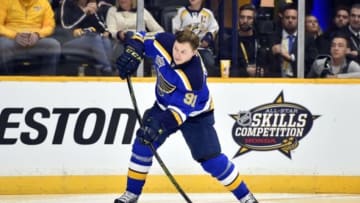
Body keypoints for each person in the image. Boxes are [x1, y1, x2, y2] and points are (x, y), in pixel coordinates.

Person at [113, 30, 259, 203]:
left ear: (195, 52)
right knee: (142, 145)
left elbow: (177, 114)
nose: (178, 55)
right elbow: (139, 36)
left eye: (184, 52)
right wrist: (133, 51)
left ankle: (246, 197)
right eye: (176, 49)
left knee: (212, 161)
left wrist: (156, 127)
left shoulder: (193, 78)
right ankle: (131, 194)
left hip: (196, 115)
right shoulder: (165, 42)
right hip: (163, 105)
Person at [0, 0, 61, 75]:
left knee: (53, 45)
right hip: (12, 40)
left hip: (35, 41)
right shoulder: (5, 1)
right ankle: (7, 81)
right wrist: (15, 35)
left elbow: (50, 26)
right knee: (3, 44)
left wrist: (38, 34)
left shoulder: (44, 3)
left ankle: (46, 82)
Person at [106, 0, 164, 76]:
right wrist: (119, 33)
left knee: (143, 45)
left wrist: (143, 36)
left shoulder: (142, 11)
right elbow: (111, 30)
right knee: (130, 37)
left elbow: (160, 31)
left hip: (141, 42)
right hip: (121, 42)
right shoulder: (112, 11)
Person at [60, 0, 113, 74]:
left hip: (90, 39)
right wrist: (84, 12)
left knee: (105, 40)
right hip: (69, 40)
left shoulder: (91, 5)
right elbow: (66, 26)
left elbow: (100, 27)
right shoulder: (67, 3)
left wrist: (105, 31)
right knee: (94, 38)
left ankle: (103, 68)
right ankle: (108, 70)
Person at [269, 3, 318, 77]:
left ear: (299, 20)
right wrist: (272, 52)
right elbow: (266, 62)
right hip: (277, 81)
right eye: (287, 17)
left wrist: (291, 58)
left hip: (300, 80)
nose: (290, 20)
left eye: (293, 18)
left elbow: (312, 61)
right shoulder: (273, 37)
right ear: (282, 19)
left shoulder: (307, 38)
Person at [172, 0, 220, 77]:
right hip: (185, 48)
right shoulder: (181, 12)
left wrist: (208, 38)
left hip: (201, 48)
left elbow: (214, 28)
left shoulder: (208, 13)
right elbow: (176, 29)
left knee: (209, 62)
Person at [221, 4, 267, 77]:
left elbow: (270, 66)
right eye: (242, 17)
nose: (245, 21)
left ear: (254, 20)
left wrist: (263, 71)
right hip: (237, 82)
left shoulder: (261, 40)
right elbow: (223, 68)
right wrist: (245, 71)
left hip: (261, 82)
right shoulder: (230, 42)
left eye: (249, 18)